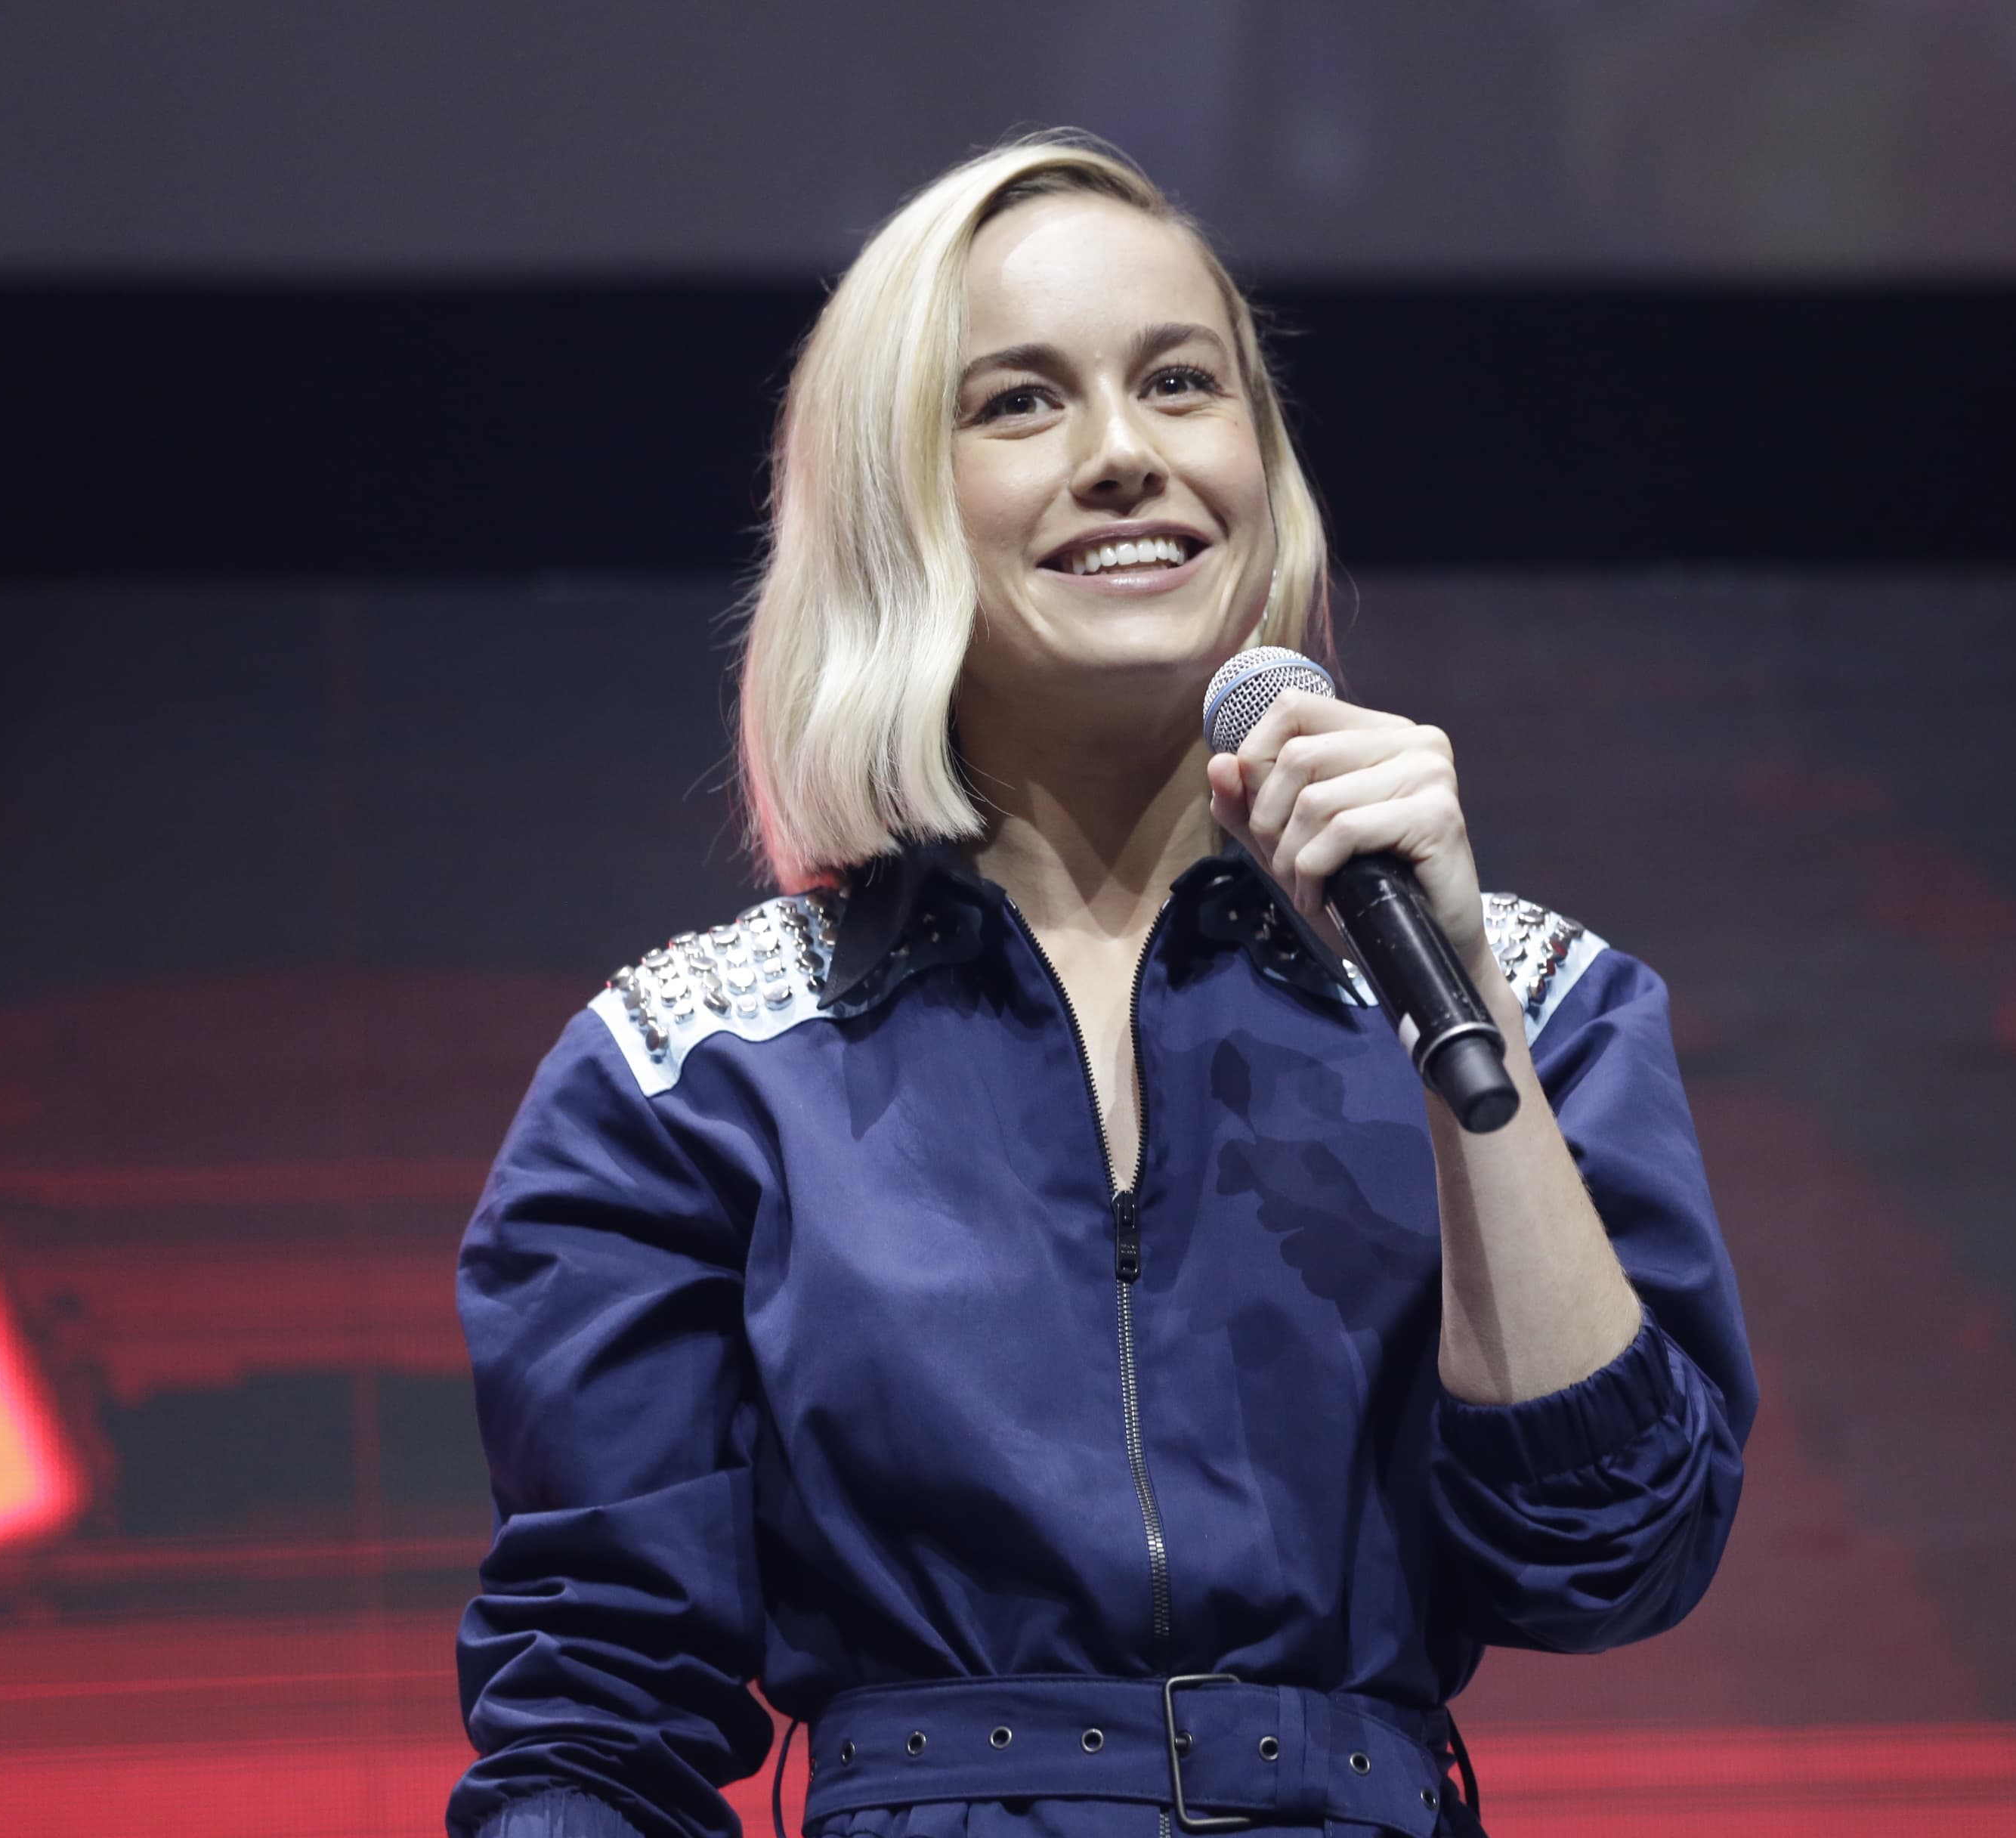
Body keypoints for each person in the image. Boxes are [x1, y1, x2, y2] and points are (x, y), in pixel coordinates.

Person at [447, 132, 1757, 1838]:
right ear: (888, 499)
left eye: (1181, 383)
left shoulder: (1529, 996)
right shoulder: (690, 1072)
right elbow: (595, 1716)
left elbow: (1617, 1552)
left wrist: (1459, 1023)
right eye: (1020, 404)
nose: (1127, 455)